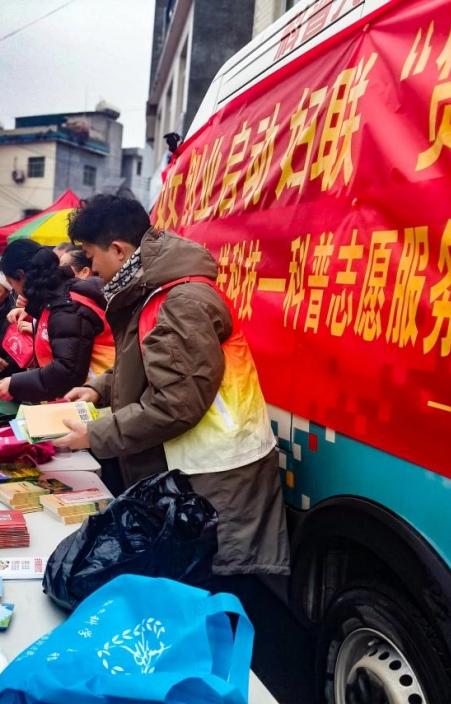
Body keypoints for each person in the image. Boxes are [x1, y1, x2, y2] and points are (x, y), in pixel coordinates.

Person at [55, 194, 289, 578]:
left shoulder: (182, 300)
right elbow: (148, 360)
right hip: (193, 462)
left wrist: (95, 435)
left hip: (218, 468)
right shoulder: (151, 289)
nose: (91, 268)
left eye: (91, 256)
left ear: (119, 249)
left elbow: (177, 402)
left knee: (219, 583)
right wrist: (100, 388)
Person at [0, 239, 113, 403]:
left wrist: (15, 384)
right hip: (79, 399)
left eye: (11, 283)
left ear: (21, 276)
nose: (15, 290)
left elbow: (67, 372)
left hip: (96, 402)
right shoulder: (54, 300)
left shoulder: (67, 308)